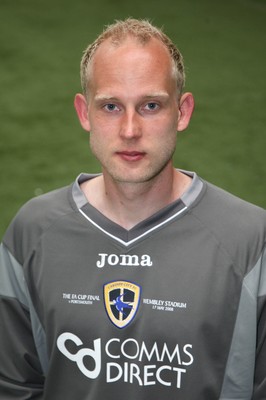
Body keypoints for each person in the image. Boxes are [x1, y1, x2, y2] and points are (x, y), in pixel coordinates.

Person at [0, 18, 265, 400]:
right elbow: (14, 387)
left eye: (151, 105)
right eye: (110, 106)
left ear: (183, 111)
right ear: (84, 113)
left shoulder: (252, 241)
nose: (129, 129)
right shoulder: (33, 231)